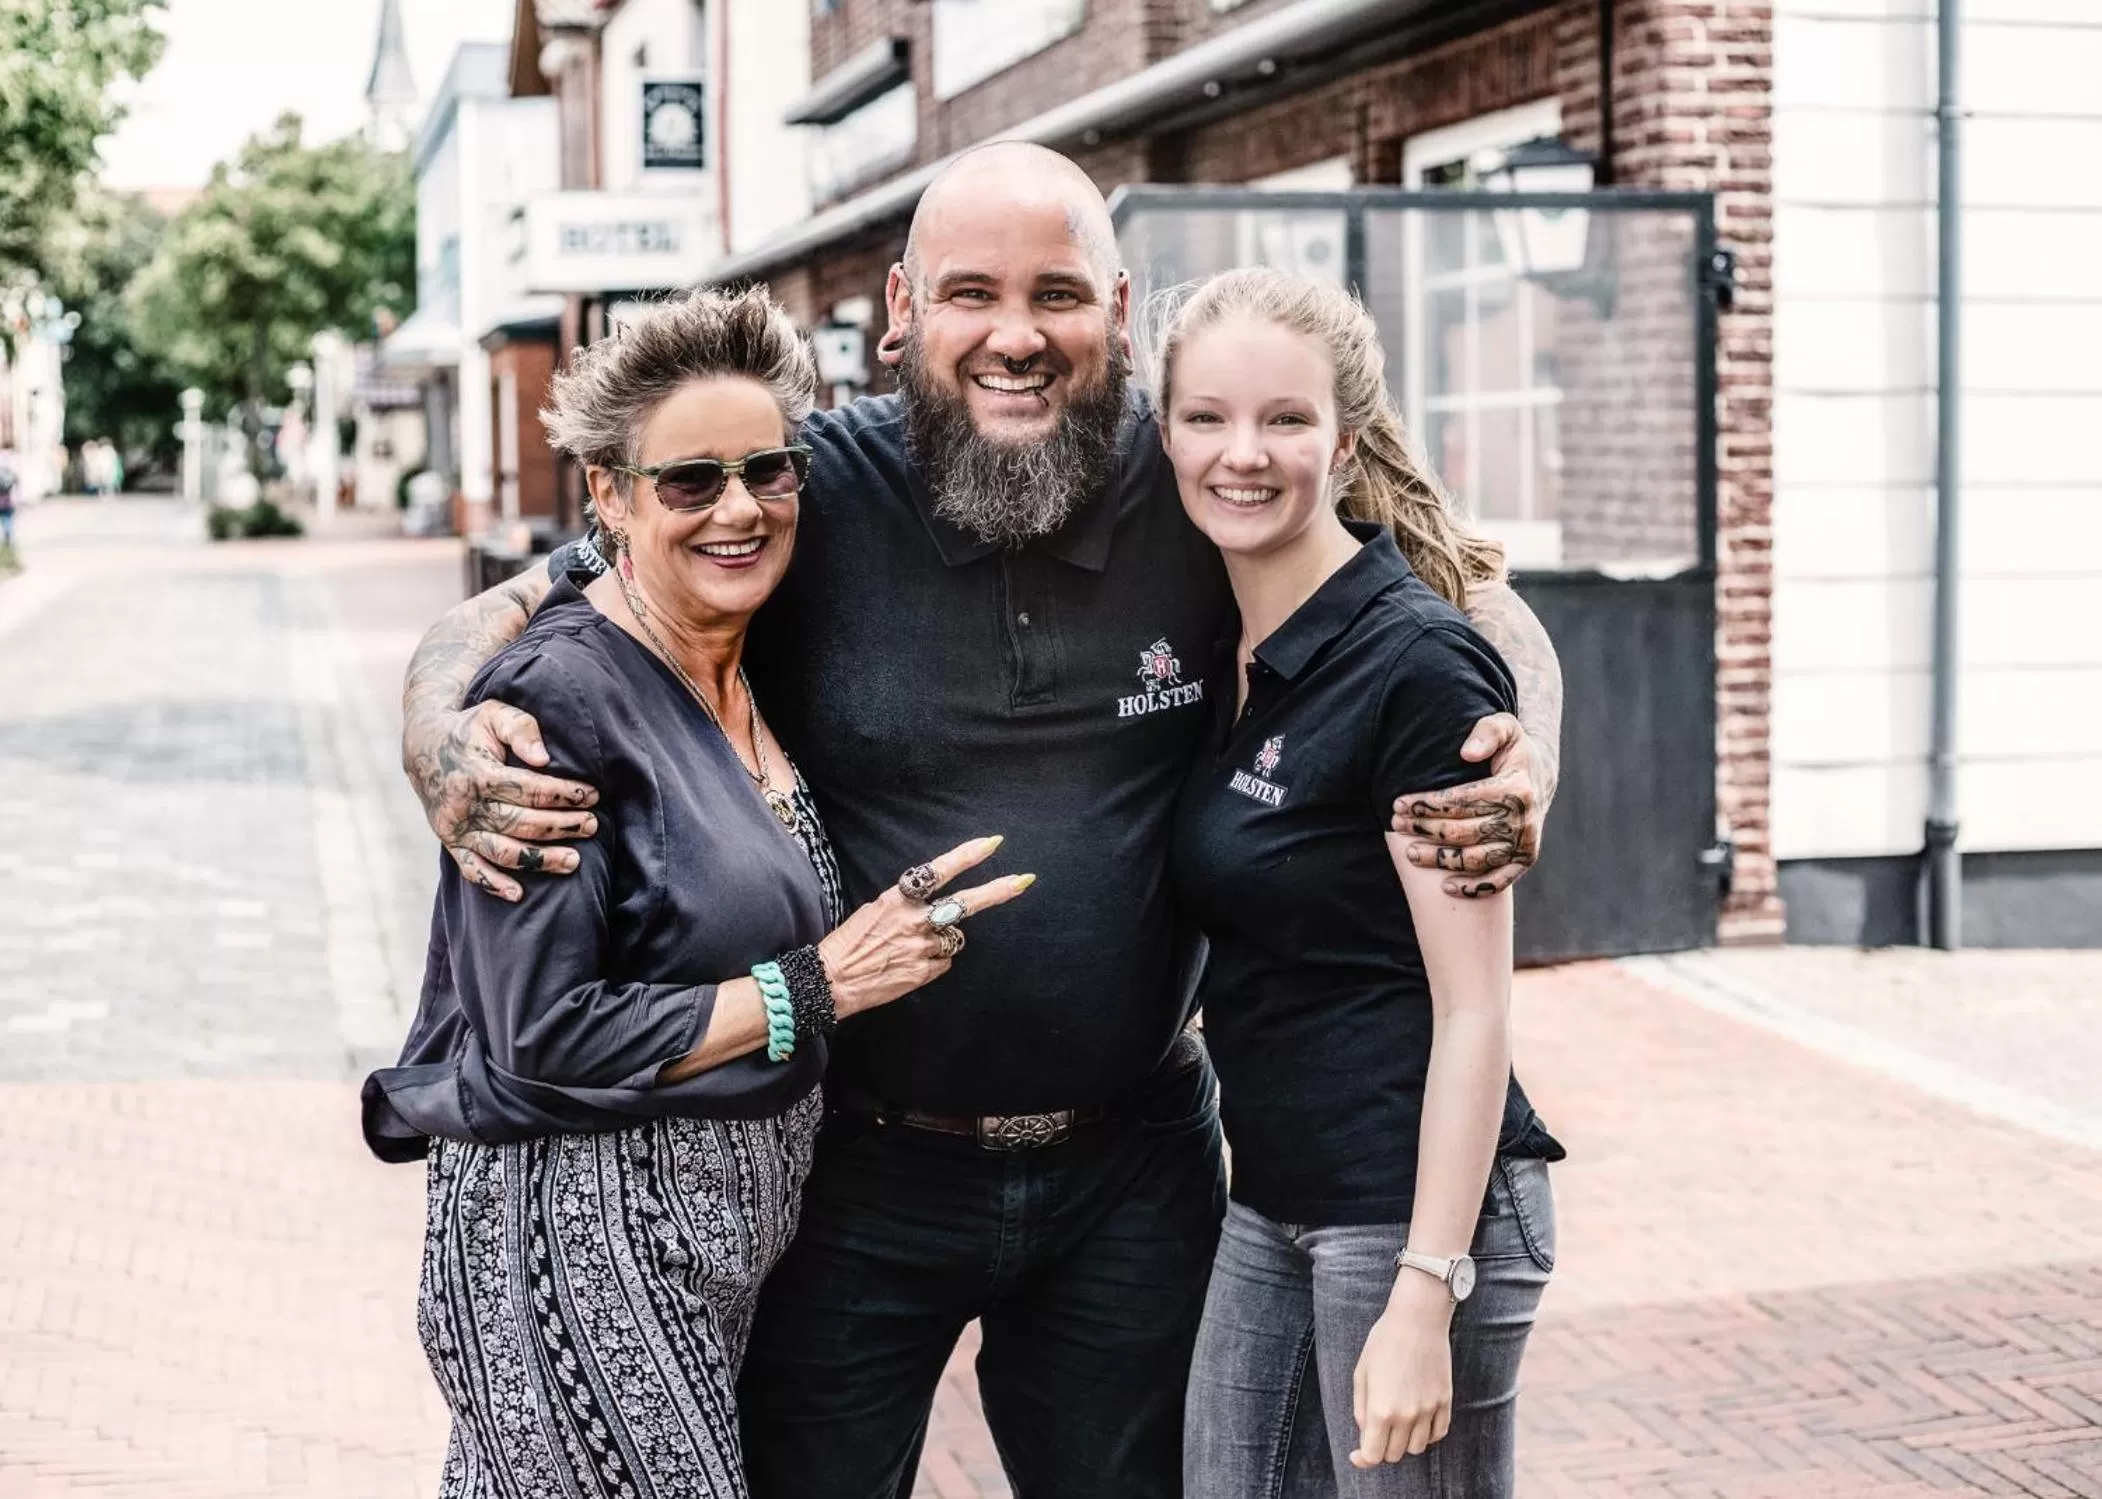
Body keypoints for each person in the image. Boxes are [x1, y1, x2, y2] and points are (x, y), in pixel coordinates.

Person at [395, 143, 1565, 1498]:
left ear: (1120, 313)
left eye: (1057, 293)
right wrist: (436, 734)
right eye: (970, 292)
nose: (1017, 334)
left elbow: (1459, 584)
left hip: (1132, 1162)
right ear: (900, 310)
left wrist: (1525, 744)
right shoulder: (792, 492)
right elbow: (528, 604)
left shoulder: (1196, 470)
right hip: (856, 1165)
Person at [361, 287, 1033, 1498]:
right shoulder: (557, 706)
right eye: (687, 482)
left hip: (719, 1250)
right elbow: (540, 1034)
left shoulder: (734, 650)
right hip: (575, 1239)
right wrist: (823, 983)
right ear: (609, 497)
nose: (736, 507)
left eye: (766, 470)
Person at [1153, 269, 1562, 1497]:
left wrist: (1425, 1290)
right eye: (1206, 417)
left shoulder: (1416, 665)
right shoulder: (1220, 638)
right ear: (1162, 432)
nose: (1243, 453)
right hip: (1269, 1195)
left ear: (1344, 440)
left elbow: (1476, 1006)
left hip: (1412, 1213)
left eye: (1285, 419)